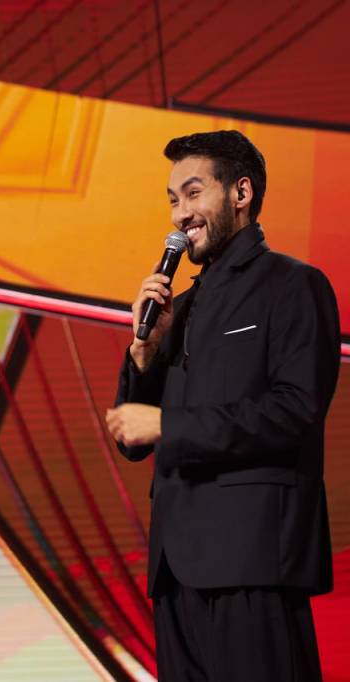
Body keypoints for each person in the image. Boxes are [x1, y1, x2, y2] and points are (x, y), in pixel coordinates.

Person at [106, 130, 341, 681]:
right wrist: (143, 354)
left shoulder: (294, 286)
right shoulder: (181, 306)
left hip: (252, 557)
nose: (180, 215)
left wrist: (169, 424)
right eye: (173, 200)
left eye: (193, 193)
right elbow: (131, 440)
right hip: (175, 568)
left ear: (241, 193)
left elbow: (295, 411)